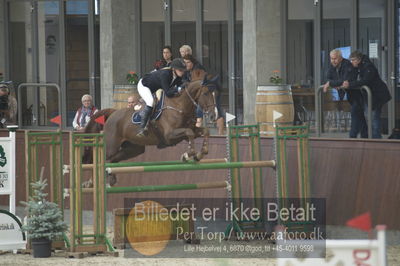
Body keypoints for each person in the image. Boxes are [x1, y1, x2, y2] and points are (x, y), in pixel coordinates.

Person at [342, 51, 392, 139]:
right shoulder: (359, 67)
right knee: (369, 118)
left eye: (353, 60)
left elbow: (365, 81)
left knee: (373, 119)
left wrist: (350, 84)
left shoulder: (368, 66)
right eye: (351, 60)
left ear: (358, 60)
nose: (352, 62)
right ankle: (372, 138)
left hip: (376, 96)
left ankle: (377, 140)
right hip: (368, 96)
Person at [136, 58, 186, 137]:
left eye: (183, 70)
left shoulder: (178, 76)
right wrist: (179, 88)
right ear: (174, 69)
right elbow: (168, 93)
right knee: (150, 102)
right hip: (144, 85)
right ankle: (142, 127)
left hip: (154, 87)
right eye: (180, 70)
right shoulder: (165, 74)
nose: (182, 72)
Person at [323, 49, 367, 138]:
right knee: (359, 114)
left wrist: (332, 83)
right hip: (350, 93)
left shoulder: (347, 65)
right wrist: (335, 83)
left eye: (335, 58)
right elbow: (328, 77)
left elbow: (345, 79)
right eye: (331, 59)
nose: (333, 61)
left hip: (358, 92)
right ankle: (365, 135)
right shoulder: (333, 65)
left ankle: (352, 136)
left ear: (340, 58)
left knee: (355, 112)